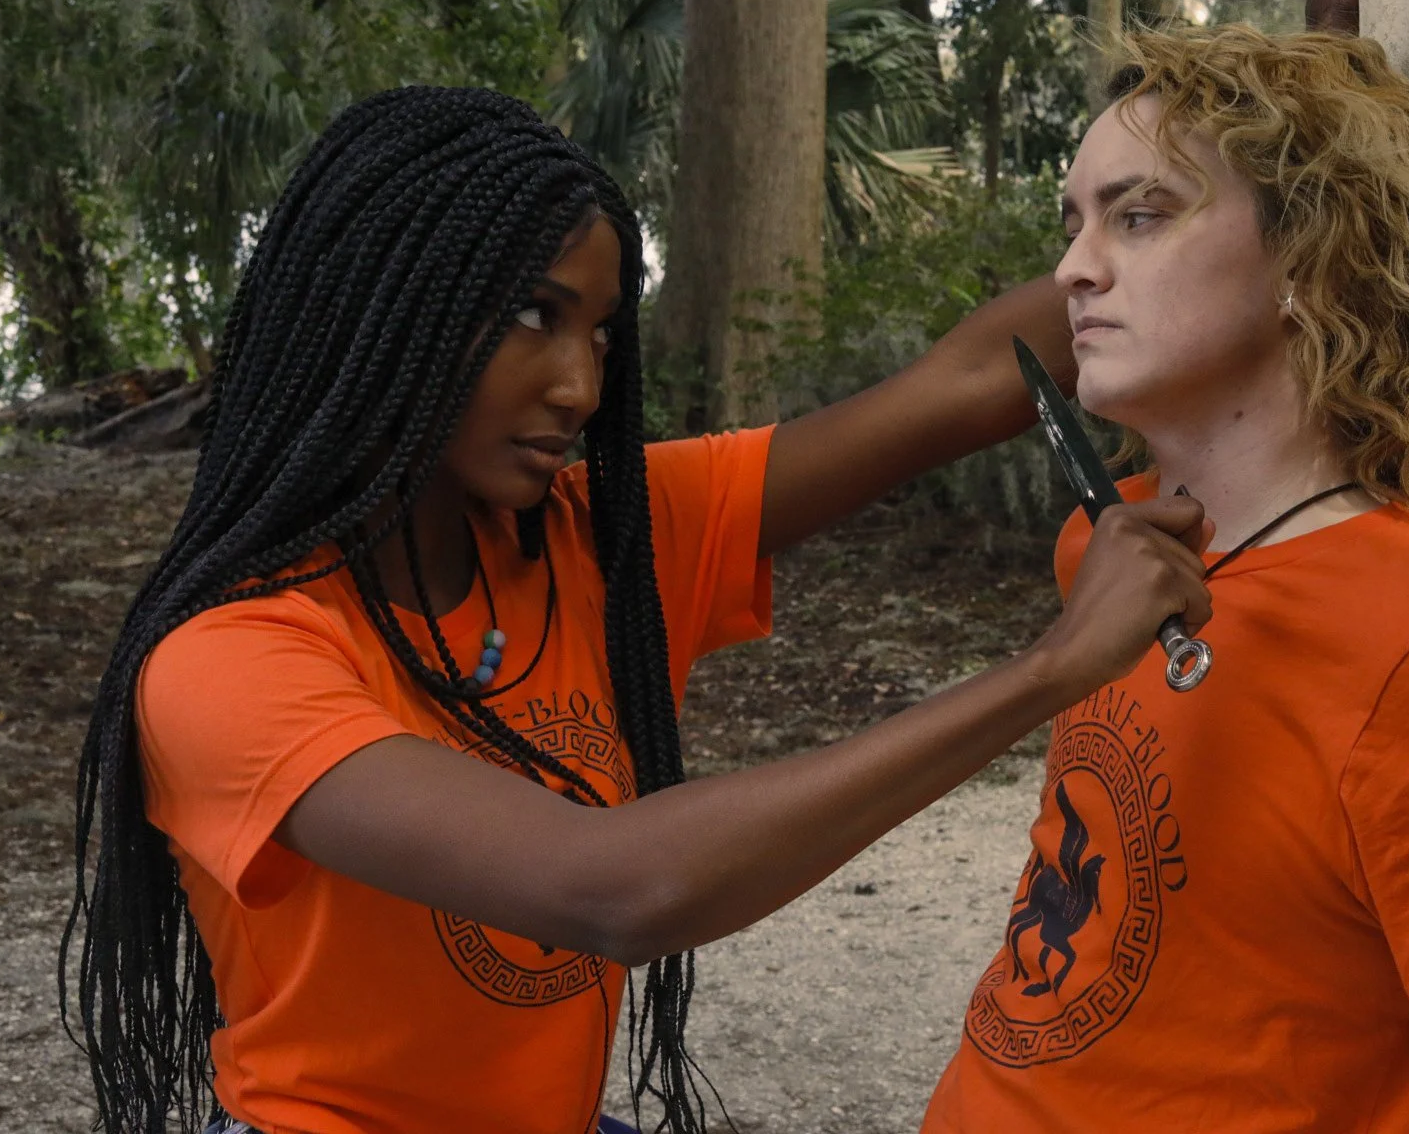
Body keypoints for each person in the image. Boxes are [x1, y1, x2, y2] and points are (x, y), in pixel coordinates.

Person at [60, 86, 1215, 1134]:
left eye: (601, 330)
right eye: (531, 314)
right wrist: (1049, 669)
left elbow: (968, 379)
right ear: (381, 305)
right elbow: (609, 888)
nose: (580, 383)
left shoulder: (594, 537)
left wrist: (1241, 171)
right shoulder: (226, 660)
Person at [919, 18, 1409, 1133]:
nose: (1073, 268)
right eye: (1076, 221)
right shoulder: (1112, 542)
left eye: (1140, 215)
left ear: (1312, 255)